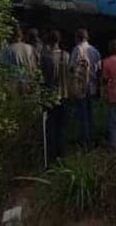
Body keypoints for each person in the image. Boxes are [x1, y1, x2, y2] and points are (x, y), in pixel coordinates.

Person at [40, 30, 70, 166]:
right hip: (64, 94)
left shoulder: (45, 57)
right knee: (62, 127)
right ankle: (62, 155)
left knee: (50, 128)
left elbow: (42, 77)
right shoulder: (66, 55)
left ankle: (50, 157)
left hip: (50, 95)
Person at [69, 29, 101, 149]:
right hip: (92, 86)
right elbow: (98, 69)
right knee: (90, 114)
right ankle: (92, 140)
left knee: (82, 116)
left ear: (77, 38)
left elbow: (72, 68)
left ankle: (84, 142)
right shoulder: (95, 51)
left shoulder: (77, 49)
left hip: (81, 87)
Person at [100, 40, 116, 151]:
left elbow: (105, 79)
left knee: (113, 122)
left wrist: (103, 92)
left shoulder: (106, 62)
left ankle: (115, 146)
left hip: (113, 94)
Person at [2, 26, 38, 93]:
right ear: (21, 36)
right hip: (28, 82)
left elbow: (4, 69)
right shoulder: (30, 48)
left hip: (13, 83)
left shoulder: (6, 50)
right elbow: (34, 66)